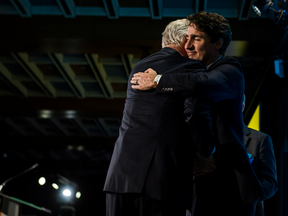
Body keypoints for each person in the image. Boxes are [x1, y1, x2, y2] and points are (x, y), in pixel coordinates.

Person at [131, 11, 264, 215]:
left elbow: (202, 84)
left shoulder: (230, 69)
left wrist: (158, 80)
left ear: (217, 44)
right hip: (204, 182)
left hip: (232, 183)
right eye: (187, 38)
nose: (188, 45)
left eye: (196, 38)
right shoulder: (196, 72)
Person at [103, 19, 215, 216]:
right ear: (184, 40)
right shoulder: (192, 69)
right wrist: (206, 151)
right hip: (163, 181)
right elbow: (195, 114)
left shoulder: (140, 66)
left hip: (121, 178)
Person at [192, 96, 278, 216]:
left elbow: (270, 184)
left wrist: (247, 195)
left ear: (242, 107)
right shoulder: (203, 139)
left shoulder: (260, 140)